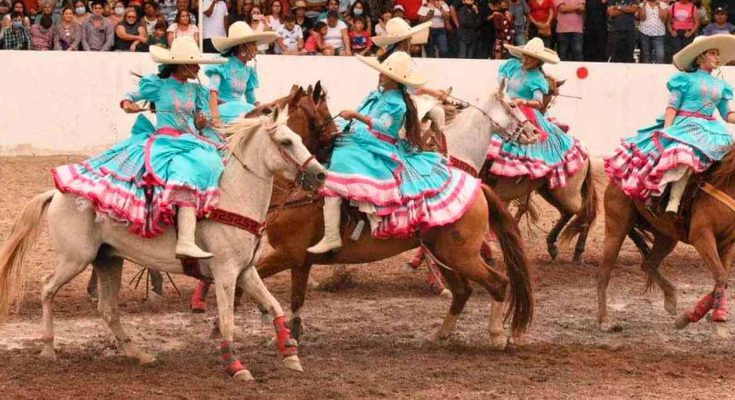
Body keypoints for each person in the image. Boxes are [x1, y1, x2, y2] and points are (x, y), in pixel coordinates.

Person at [52, 36, 226, 258]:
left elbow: (199, 122)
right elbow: (130, 95)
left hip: (190, 140)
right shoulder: (159, 86)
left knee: (214, 162)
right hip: (166, 140)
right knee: (184, 172)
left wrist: (201, 122)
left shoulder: (195, 91)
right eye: (194, 63)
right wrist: (128, 104)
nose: (198, 67)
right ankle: (183, 239)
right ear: (181, 65)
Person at [308, 51, 480, 252]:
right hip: (363, 136)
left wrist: (356, 115)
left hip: (378, 145)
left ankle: (332, 235)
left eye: (384, 74)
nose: (379, 75)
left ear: (394, 80)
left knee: (340, 163)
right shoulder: (378, 94)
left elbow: (383, 127)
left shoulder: (397, 103)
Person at [605, 35, 735, 217]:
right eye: (713, 53)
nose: (716, 57)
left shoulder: (722, 85)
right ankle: (670, 200)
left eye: (717, 54)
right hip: (685, 125)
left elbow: (727, 114)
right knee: (684, 156)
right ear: (701, 56)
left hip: (712, 129)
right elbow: (672, 107)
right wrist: (668, 130)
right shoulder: (684, 79)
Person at [487, 38, 589, 191]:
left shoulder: (537, 78)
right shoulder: (512, 65)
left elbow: (539, 103)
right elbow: (500, 81)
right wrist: (499, 92)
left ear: (538, 61)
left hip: (524, 112)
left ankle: (516, 175)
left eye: (530, 57)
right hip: (505, 105)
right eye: (525, 55)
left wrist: (523, 102)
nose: (526, 59)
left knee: (518, 139)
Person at [206, 21, 277, 128]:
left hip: (240, 110)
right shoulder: (222, 63)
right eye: (253, 44)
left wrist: (263, 109)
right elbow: (213, 92)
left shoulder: (249, 69)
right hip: (222, 111)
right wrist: (216, 118)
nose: (256, 48)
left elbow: (250, 97)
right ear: (243, 47)